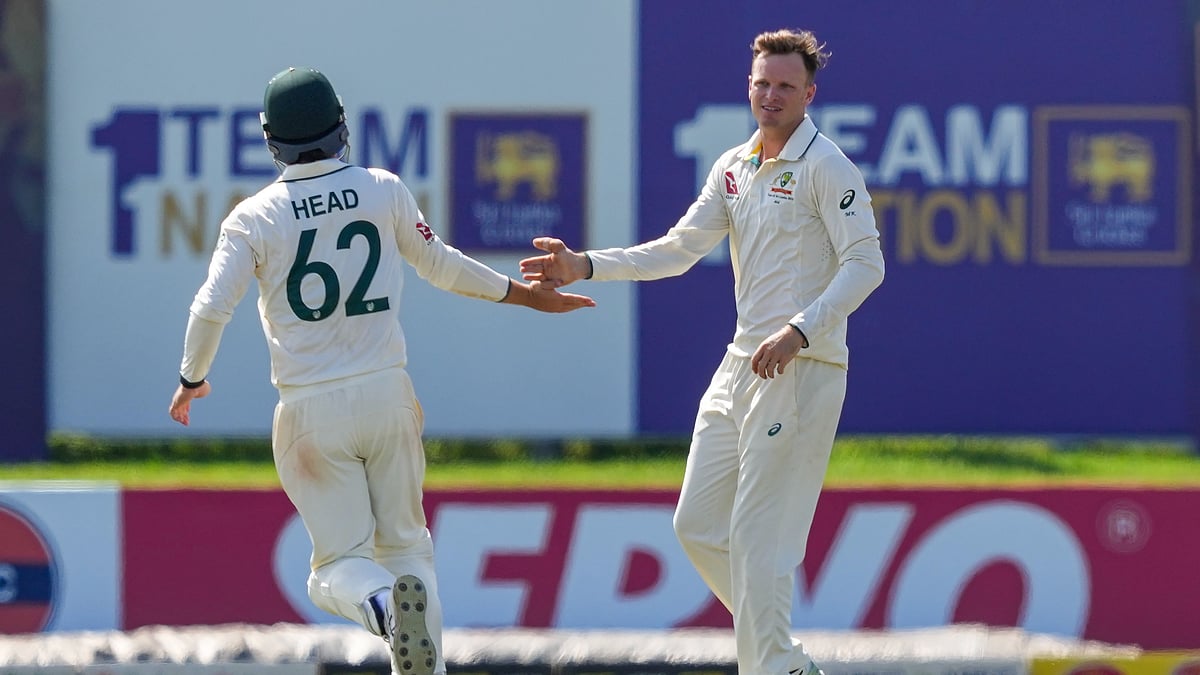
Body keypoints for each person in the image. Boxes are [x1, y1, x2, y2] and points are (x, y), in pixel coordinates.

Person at [168, 67, 594, 675]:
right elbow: (441, 266)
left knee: (332, 571)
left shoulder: (254, 216)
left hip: (310, 408)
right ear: (341, 124)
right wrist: (527, 298)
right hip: (388, 392)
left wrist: (191, 378)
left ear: (271, 141)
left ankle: (382, 609)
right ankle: (418, 650)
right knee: (409, 549)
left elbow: (211, 306)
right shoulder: (382, 188)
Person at [519, 29, 884, 675]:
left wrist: (800, 330)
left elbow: (866, 263)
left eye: (785, 86)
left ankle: (772, 664)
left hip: (802, 366)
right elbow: (678, 249)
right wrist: (585, 264)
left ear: (809, 94)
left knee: (756, 538)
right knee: (697, 527)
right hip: (740, 363)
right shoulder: (734, 167)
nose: (770, 96)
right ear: (749, 85)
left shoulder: (827, 166)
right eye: (761, 83)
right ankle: (786, 661)